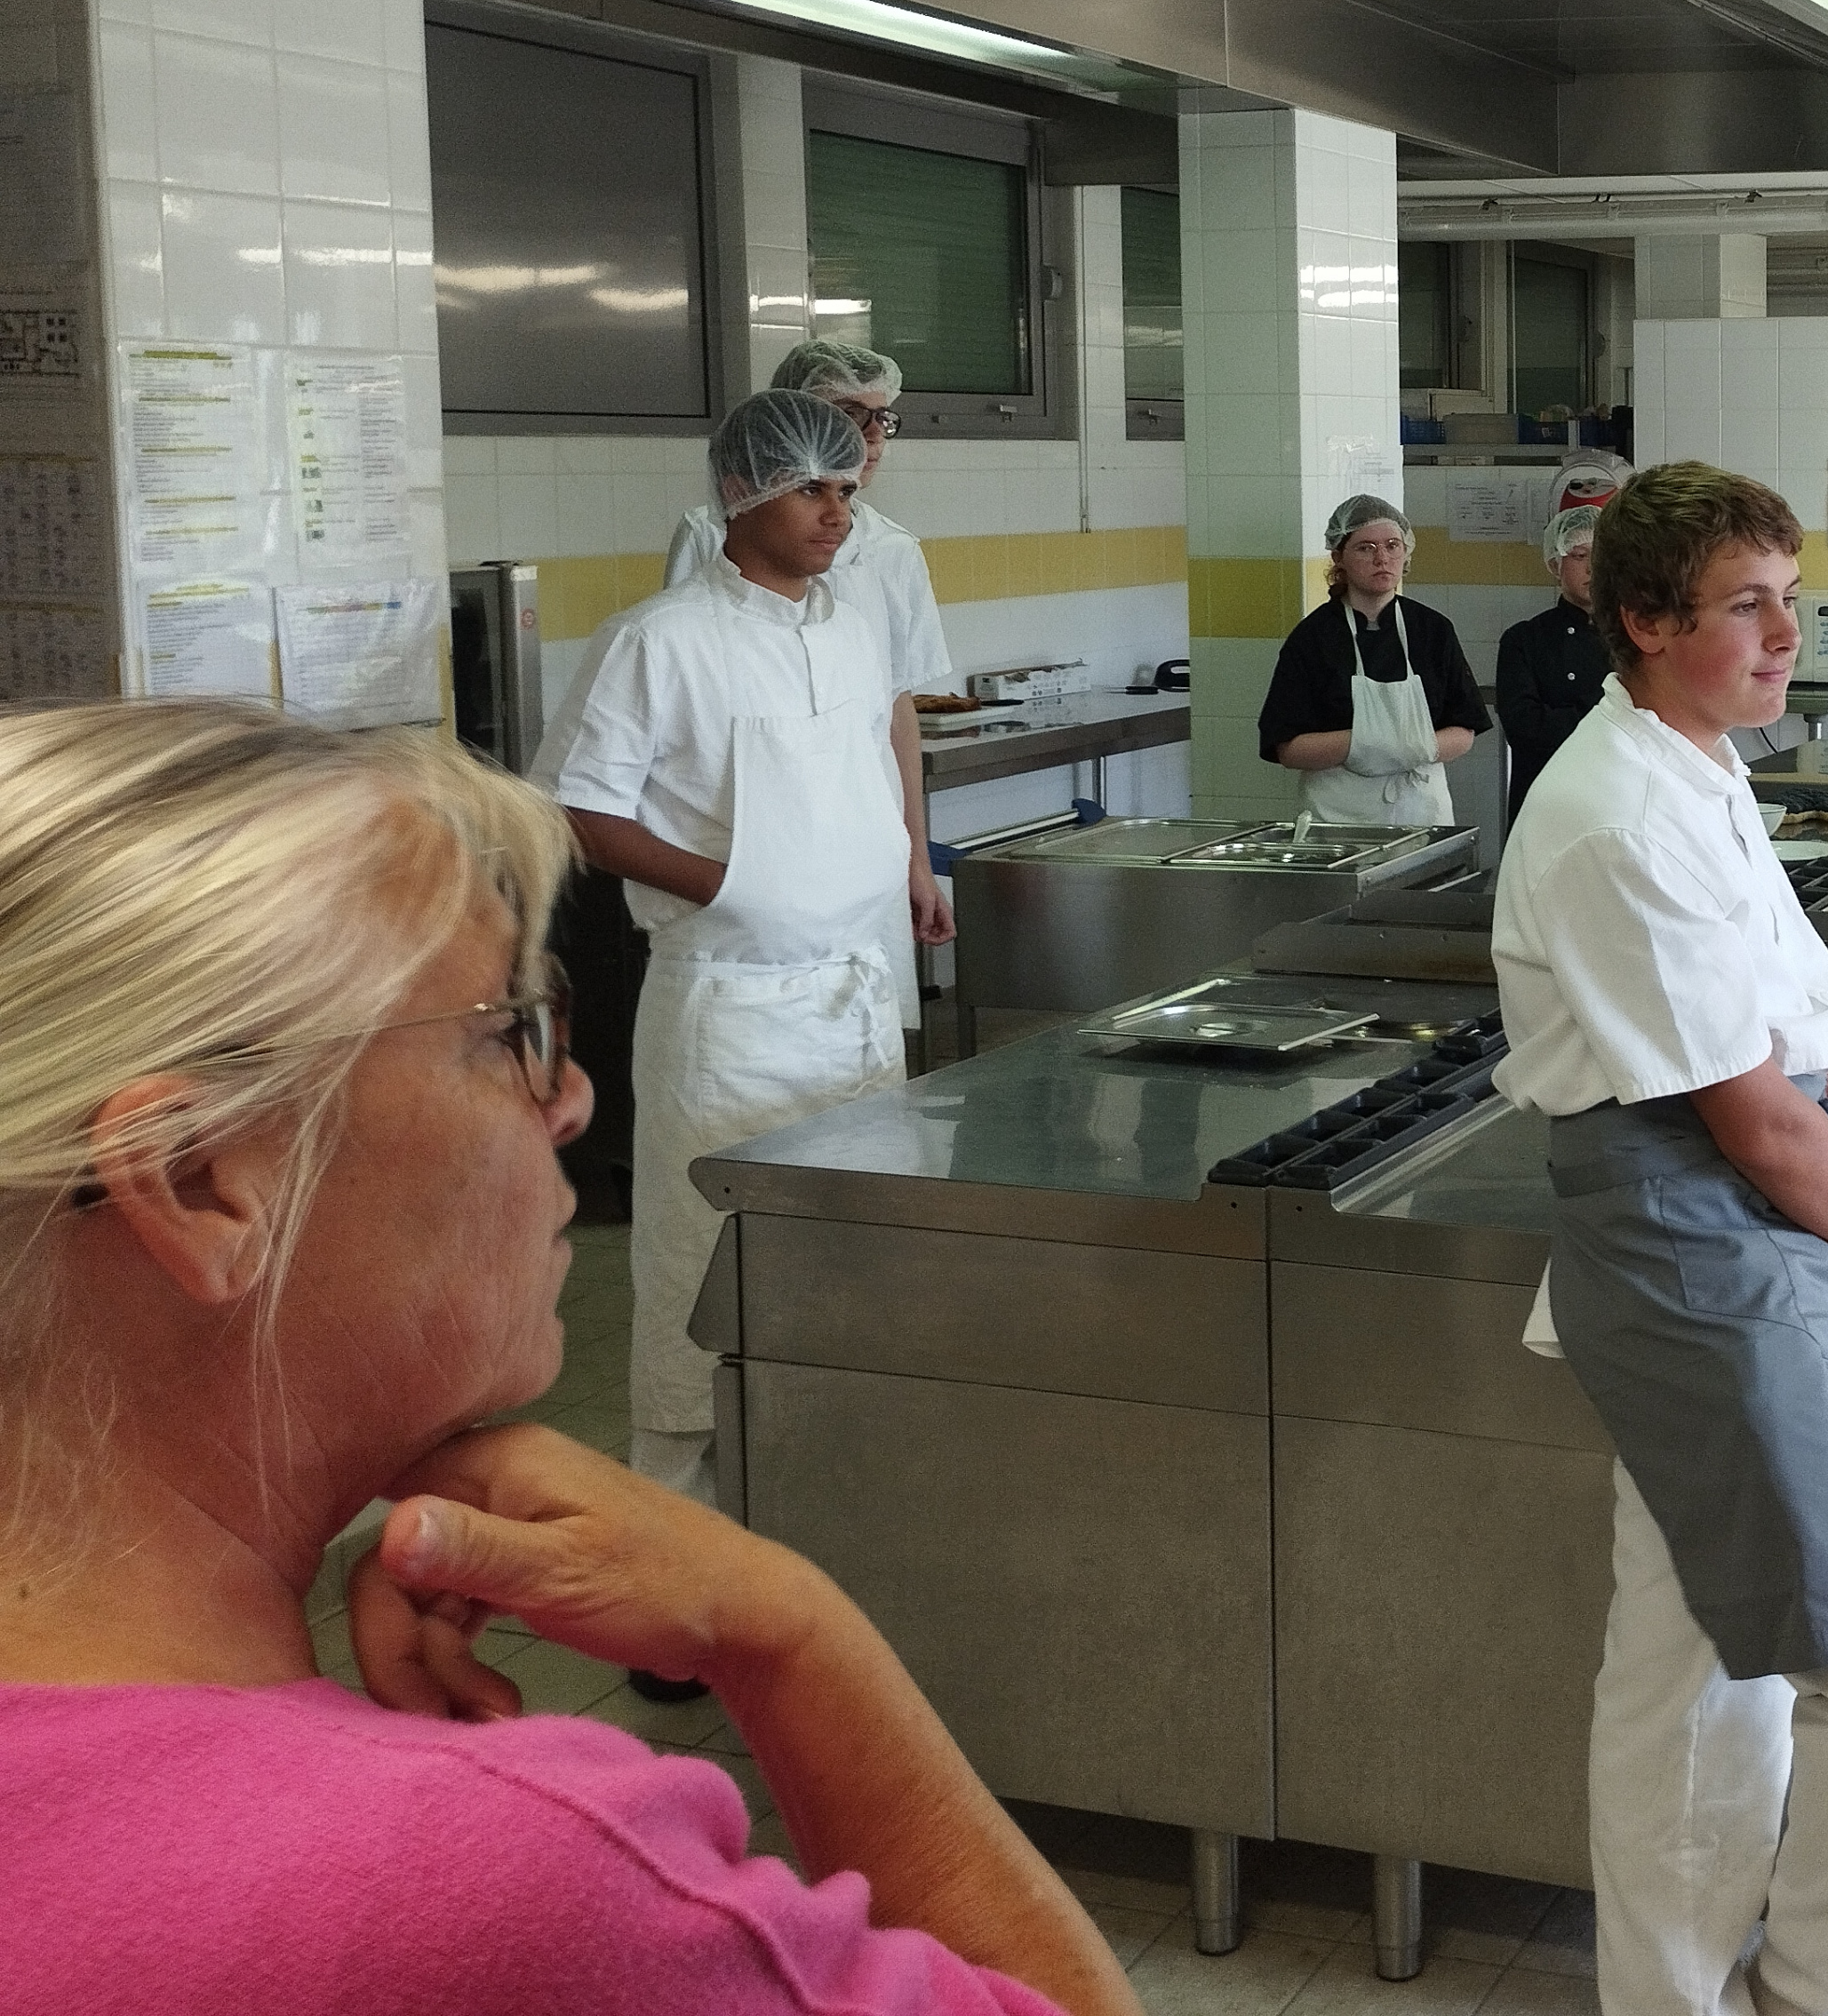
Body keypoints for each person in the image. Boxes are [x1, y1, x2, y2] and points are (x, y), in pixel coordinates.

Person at [0, 698, 1141, 2016]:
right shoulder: (479, 1885)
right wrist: (785, 1630)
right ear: (200, 1181)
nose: (571, 1096)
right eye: (506, 1034)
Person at [1492, 461, 1828, 2016]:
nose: (1786, 636)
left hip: (1754, 1227)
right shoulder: (1614, 813)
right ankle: (1812, 1996)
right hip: (1690, 1256)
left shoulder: (1700, 767)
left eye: (1793, 600)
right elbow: (1756, 1120)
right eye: (1747, 606)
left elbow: (1802, 1055)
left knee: (1692, 1679)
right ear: (1645, 620)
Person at [537, 393, 912, 1519]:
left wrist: (898, 869)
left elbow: (873, 769)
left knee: (847, 1259)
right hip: (732, 1013)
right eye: (811, 490)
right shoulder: (660, 640)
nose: (838, 512)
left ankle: (819, 1513)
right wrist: (731, 882)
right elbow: (577, 810)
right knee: (708, 1269)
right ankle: (681, 1535)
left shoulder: (852, 630)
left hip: (853, 999)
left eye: (846, 490)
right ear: (741, 494)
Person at [666, 340, 954, 1000]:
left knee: (868, 1013)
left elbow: (897, 708)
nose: (871, 435)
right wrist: (728, 881)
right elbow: (689, 688)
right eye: (851, 413)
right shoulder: (707, 540)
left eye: (883, 418)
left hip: (864, 837)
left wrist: (916, 857)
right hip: (747, 838)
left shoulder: (892, 551)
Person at [1257, 493, 1489, 826]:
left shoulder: (1432, 629)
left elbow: (1464, 730)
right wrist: (1368, 744)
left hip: (1422, 815)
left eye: (1392, 545)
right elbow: (1289, 749)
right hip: (1340, 822)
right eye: (1366, 547)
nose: (1382, 558)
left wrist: (1410, 746)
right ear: (1339, 557)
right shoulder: (1313, 638)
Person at [1496, 503, 1610, 820]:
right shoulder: (1524, 640)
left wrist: (1565, 718)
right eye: (1579, 555)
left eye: (1601, 555)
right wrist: (1606, 718)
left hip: (1613, 794)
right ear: (1554, 564)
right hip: (1544, 797)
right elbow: (1524, 729)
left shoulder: (1636, 636)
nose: (1592, 567)